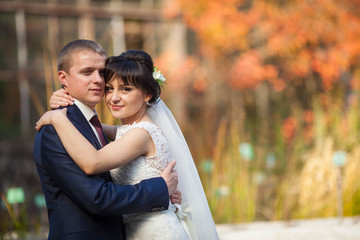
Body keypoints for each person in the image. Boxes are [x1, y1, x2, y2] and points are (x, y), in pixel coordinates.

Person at [36, 50, 219, 239]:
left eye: (126, 89)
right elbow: (97, 127)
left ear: (147, 94)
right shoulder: (129, 131)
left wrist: (58, 119)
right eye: (109, 88)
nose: (114, 97)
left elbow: (93, 162)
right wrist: (67, 97)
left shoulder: (140, 134)